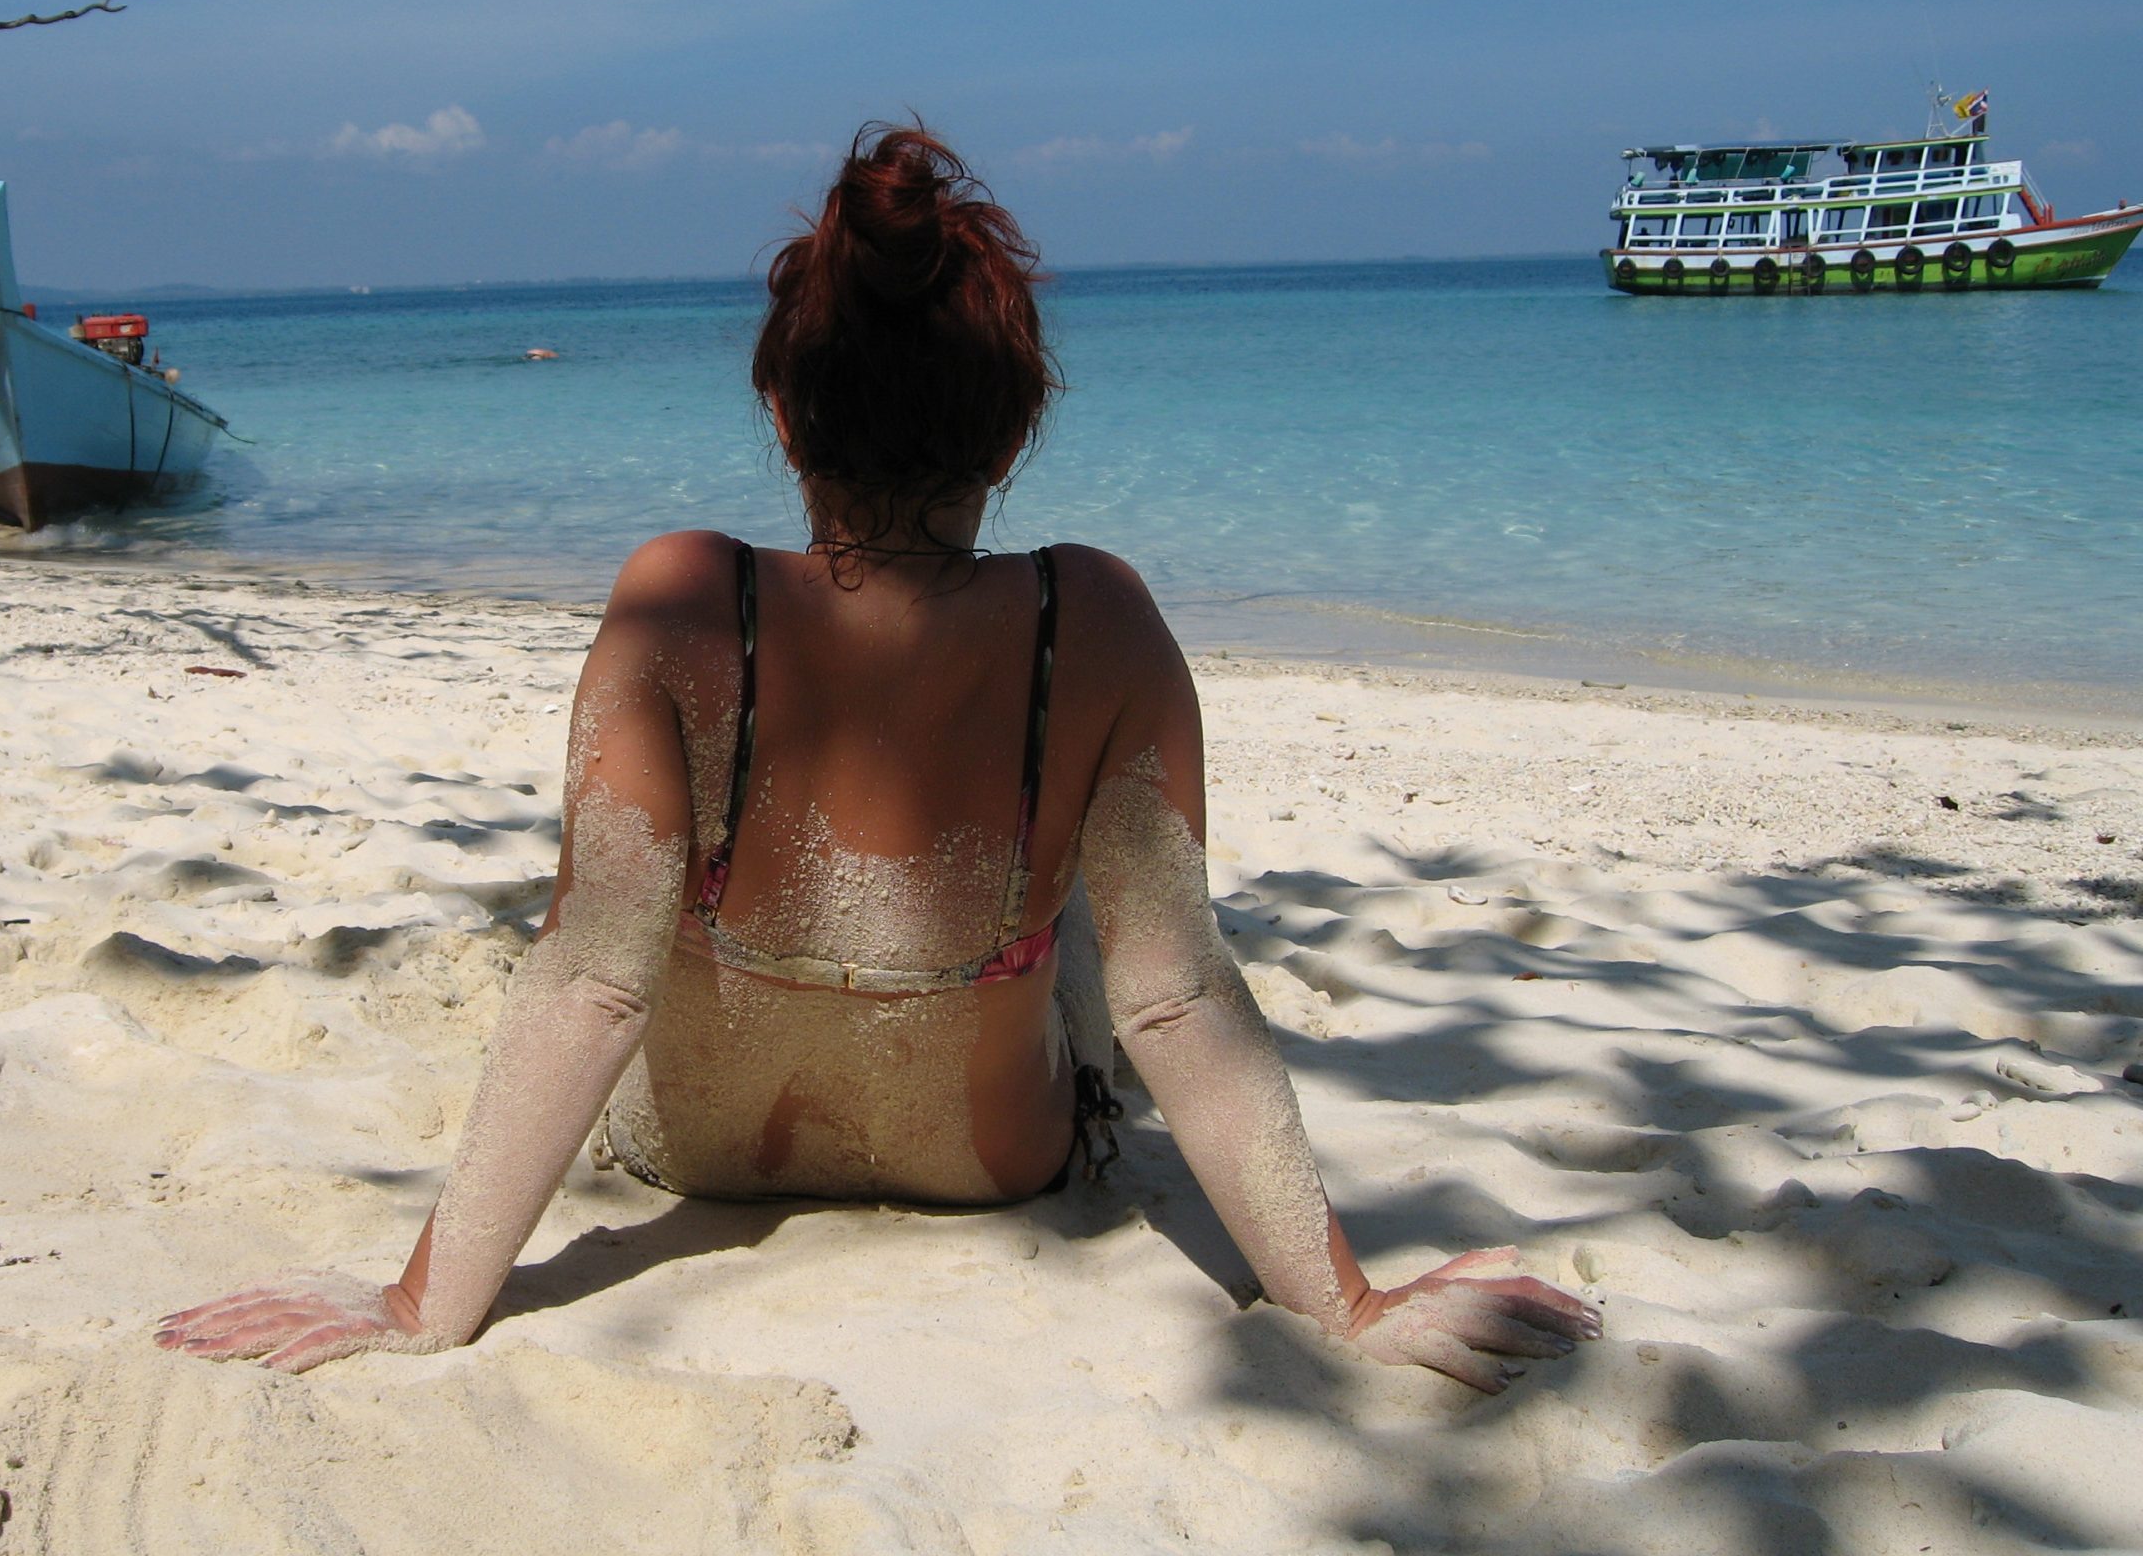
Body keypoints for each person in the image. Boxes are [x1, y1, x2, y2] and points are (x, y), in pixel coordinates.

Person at [156, 126, 1599, 1391]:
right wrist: (1343, 1306)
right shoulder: (1091, 618)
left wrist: (425, 1305)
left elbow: (591, 979)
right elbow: (1177, 1007)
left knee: (621, 921)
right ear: (1019, 428)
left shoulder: (679, 600)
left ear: (783, 412)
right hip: (988, 1161)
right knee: (1112, 915)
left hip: (697, 1149)